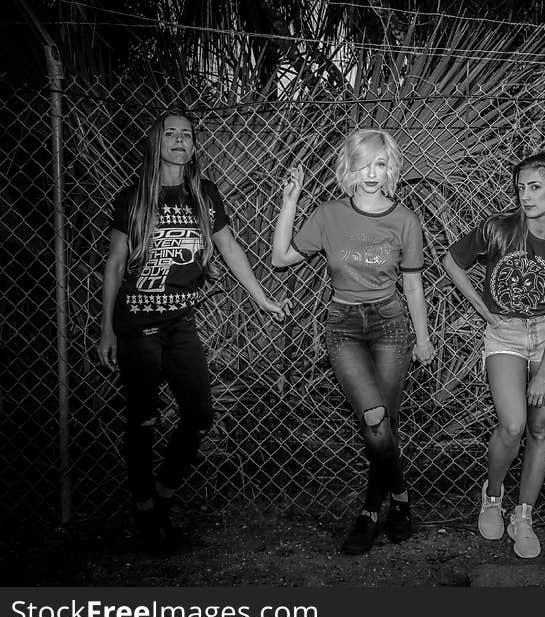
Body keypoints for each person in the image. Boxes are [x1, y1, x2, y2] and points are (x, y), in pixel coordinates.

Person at [98, 111, 289, 554]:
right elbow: (115, 264)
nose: (180, 140)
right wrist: (106, 328)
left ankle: (162, 496)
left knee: (199, 414)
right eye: (171, 134)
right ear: (156, 142)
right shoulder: (133, 198)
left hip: (180, 322)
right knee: (143, 418)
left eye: (187, 135)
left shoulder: (203, 194)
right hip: (137, 323)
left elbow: (227, 247)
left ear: (193, 145)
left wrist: (261, 297)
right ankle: (145, 509)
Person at [271, 128, 434, 556]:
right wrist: (290, 201)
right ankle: (398, 500)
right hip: (343, 325)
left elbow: (413, 286)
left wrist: (424, 339)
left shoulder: (405, 220)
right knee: (375, 419)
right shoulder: (329, 215)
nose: (371, 174)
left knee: (381, 426)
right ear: (349, 167)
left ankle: (370, 511)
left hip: (390, 325)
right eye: (363, 164)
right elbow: (281, 257)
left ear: (391, 168)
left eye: (380, 164)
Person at [442, 152, 545, 559]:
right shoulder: (498, 229)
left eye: (535, 187)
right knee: (512, 424)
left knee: (541, 427)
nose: (525, 195)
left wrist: (544, 371)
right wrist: (482, 308)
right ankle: (492, 495)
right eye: (521, 187)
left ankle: (523, 515)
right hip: (504, 333)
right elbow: (451, 260)